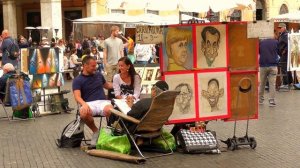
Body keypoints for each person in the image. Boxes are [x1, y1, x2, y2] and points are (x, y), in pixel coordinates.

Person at [72, 56, 114, 146]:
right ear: (85, 65)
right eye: (93, 66)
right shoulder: (77, 80)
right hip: (89, 103)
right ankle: (96, 131)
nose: (95, 68)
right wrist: (84, 104)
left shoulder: (98, 75)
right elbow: (77, 96)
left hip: (103, 102)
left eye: (95, 66)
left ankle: (109, 132)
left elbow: (107, 85)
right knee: (83, 112)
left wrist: (119, 84)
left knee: (111, 110)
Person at [259, 33, 279, 107]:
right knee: (272, 84)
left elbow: (259, 52)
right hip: (273, 65)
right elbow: (279, 52)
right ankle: (271, 100)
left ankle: (260, 99)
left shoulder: (261, 42)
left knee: (262, 83)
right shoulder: (276, 42)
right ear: (273, 36)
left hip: (263, 65)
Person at [277, 23, 293, 87]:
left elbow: (289, 43)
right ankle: (290, 82)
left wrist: (284, 50)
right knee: (287, 68)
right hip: (284, 54)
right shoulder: (283, 34)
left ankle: (286, 83)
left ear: (284, 28)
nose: (279, 29)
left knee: (284, 68)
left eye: (280, 28)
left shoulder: (285, 35)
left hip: (285, 55)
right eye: (279, 28)